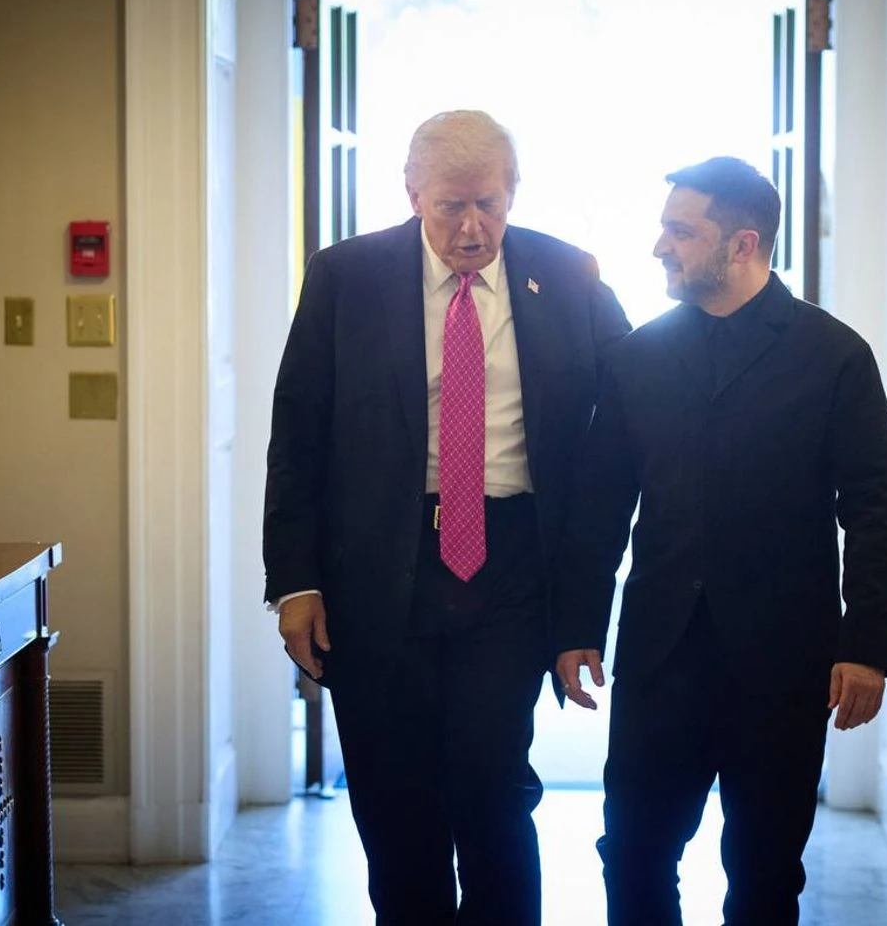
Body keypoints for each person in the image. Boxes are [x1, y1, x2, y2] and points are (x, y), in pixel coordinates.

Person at [264, 109, 631, 926]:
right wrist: (295, 582)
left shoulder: (567, 274)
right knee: (395, 806)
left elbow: (641, 388)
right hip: (376, 572)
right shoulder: (345, 277)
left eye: (488, 205)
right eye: (450, 207)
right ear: (412, 195)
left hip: (509, 567)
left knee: (492, 789)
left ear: (513, 193)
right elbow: (297, 436)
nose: (471, 228)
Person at [553, 156, 887, 926]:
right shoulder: (636, 357)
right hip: (660, 657)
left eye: (681, 232)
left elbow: (873, 512)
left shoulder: (835, 356)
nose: (660, 247)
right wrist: (577, 626)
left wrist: (867, 647)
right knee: (634, 852)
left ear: (743, 245)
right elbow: (600, 507)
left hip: (785, 659)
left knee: (766, 869)